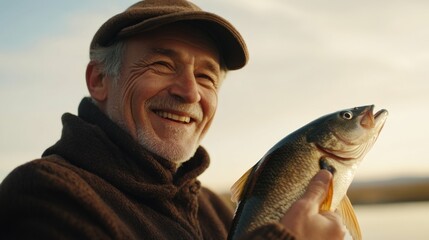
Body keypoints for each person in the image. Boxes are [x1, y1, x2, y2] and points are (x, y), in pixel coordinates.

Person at [0, 0, 345, 239]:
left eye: (206, 77)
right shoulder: (46, 192)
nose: (190, 92)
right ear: (100, 81)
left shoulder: (214, 208)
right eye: (162, 65)